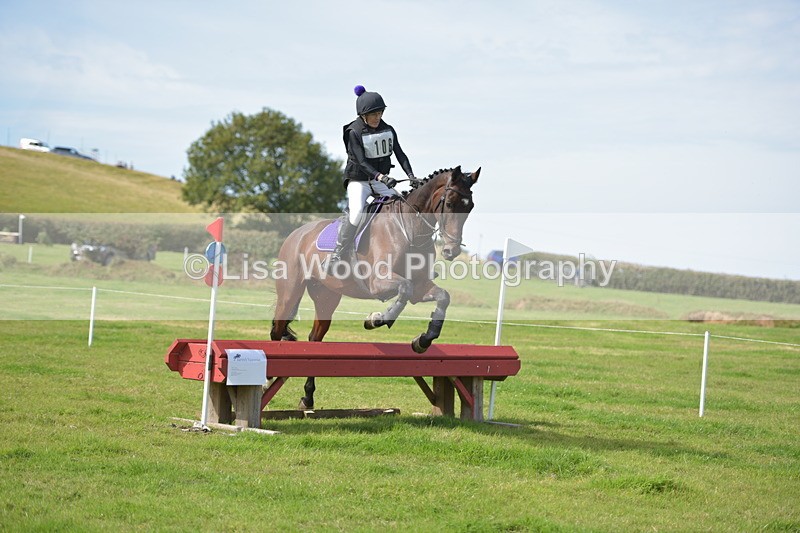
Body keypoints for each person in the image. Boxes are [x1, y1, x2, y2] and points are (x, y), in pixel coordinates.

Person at [327, 85, 416, 269]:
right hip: (359, 180)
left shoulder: (388, 129)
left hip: (379, 180)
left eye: (380, 113)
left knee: (403, 207)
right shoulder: (354, 131)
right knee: (357, 212)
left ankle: (413, 256)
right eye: (374, 114)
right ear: (363, 115)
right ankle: (338, 253)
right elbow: (361, 161)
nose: (378, 118)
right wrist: (381, 177)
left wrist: (411, 175)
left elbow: (400, 154)